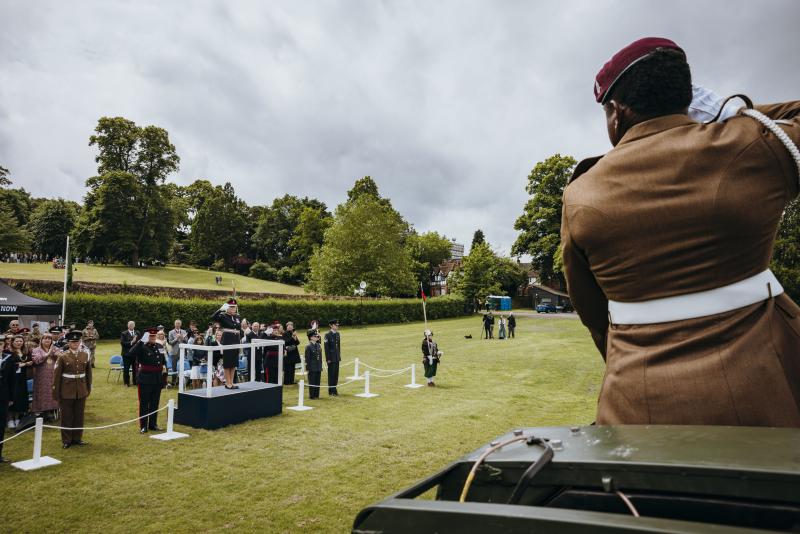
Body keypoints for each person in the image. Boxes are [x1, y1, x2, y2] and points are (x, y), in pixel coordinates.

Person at [562, 36, 800, 426]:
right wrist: (736, 113)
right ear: (688, 99)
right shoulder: (752, 146)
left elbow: (593, 314)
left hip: (638, 400)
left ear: (617, 112)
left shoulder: (581, 193)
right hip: (767, 385)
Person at [52, 330, 92, 448]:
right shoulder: (63, 356)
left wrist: (88, 388)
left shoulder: (85, 355)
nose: (75, 344)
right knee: (67, 416)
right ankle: (66, 440)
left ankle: (77, 438)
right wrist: (56, 392)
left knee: (79, 416)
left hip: (81, 389)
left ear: (80, 342)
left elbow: (88, 373)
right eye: (72, 342)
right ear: (68, 343)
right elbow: (57, 376)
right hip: (66, 390)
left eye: (77, 341)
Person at [127, 328, 167, 433]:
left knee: (155, 403)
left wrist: (164, 378)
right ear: (147, 337)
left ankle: (153, 424)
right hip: (145, 379)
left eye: (154, 336)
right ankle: (143, 426)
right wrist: (140, 341)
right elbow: (130, 353)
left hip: (157, 379)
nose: (153, 338)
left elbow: (163, 362)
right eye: (151, 336)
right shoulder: (142, 347)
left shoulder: (159, 346)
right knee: (144, 404)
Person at [211, 298, 243, 390]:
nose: (233, 309)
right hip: (227, 340)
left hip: (236, 340)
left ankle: (231, 382)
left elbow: (238, 328)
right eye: (231, 307)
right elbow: (213, 318)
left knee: (233, 363)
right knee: (227, 363)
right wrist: (220, 309)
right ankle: (227, 383)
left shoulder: (237, 317)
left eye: (234, 307)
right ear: (227, 307)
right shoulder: (223, 316)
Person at [31, 331, 61, 420]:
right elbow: (36, 360)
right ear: (41, 340)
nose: (47, 340)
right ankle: (42, 412)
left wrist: (58, 355)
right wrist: (48, 354)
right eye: (45, 338)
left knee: (53, 392)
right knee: (42, 393)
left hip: (53, 375)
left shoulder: (55, 348)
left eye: (49, 338)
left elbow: (62, 358)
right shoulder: (36, 350)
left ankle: (52, 411)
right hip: (42, 376)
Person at [8, 334, 31, 428]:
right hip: (12, 379)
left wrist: (28, 363)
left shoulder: (24, 352)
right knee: (12, 397)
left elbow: (27, 362)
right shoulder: (9, 352)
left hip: (22, 378)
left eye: (20, 341)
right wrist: (23, 364)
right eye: (17, 341)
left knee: (20, 398)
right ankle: (10, 419)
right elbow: (9, 366)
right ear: (12, 342)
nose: (19, 343)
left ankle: (17, 418)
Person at [167, 319, 188, 387]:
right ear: (174, 324)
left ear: (180, 324)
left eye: (179, 323)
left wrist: (182, 338)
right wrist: (176, 338)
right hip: (174, 352)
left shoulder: (184, 331)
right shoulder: (171, 332)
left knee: (182, 366)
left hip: (182, 351)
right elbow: (170, 343)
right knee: (174, 367)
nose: (178, 325)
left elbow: (186, 341)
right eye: (177, 323)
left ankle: (181, 381)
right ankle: (173, 382)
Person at [324, 319, 341, 396]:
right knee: (331, 375)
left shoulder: (337, 334)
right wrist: (328, 359)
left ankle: (334, 389)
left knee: (336, 374)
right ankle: (331, 390)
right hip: (331, 358)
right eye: (335, 325)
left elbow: (338, 347)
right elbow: (326, 348)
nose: (337, 326)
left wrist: (339, 356)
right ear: (331, 326)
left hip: (336, 357)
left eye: (337, 325)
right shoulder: (327, 335)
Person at [120, 321, 139, 387]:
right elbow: (122, 343)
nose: (131, 326)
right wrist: (131, 342)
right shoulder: (124, 333)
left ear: (134, 326)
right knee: (126, 369)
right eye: (130, 325)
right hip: (126, 354)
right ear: (128, 326)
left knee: (135, 369)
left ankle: (135, 382)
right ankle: (126, 383)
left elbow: (140, 342)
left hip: (135, 354)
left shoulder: (137, 332)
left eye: (132, 324)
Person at [305, 329, 323, 399]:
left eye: (317, 336)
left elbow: (320, 356)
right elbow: (307, 359)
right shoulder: (308, 347)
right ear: (311, 337)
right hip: (312, 367)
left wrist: (320, 366)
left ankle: (316, 395)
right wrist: (308, 368)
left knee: (317, 381)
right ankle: (312, 395)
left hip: (318, 366)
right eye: (315, 336)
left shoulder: (318, 345)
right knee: (312, 381)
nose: (317, 337)